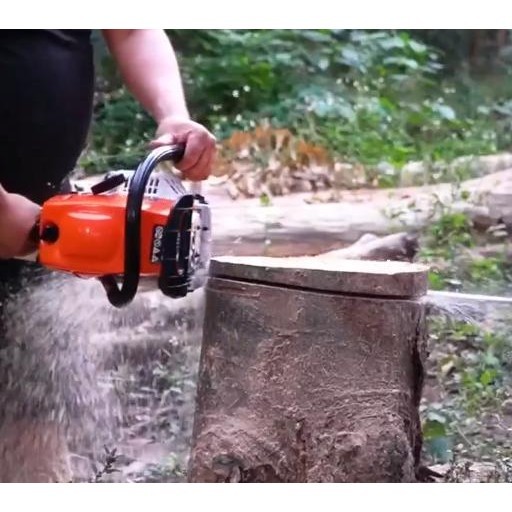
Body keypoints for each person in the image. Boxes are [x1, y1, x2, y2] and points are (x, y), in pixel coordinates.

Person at [0, 29, 216, 482]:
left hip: (41, 215)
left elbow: (131, 27)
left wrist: (173, 114)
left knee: (33, 415)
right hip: (18, 218)